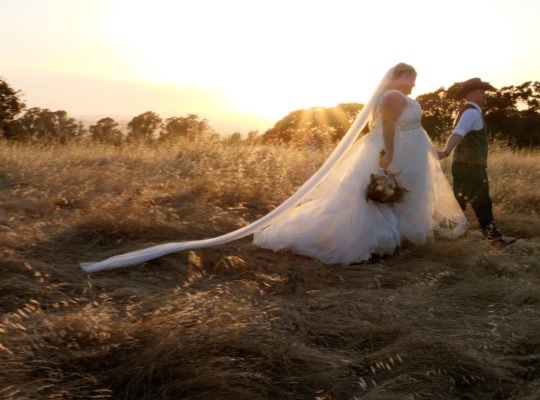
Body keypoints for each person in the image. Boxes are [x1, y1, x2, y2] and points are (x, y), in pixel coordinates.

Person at [81, 63, 467, 272]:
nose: (415, 86)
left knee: (400, 198)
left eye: (414, 81)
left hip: (413, 151)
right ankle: (376, 243)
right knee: (378, 198)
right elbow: (385, 129)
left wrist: (428, 151)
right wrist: (387, 157)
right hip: (395, 152)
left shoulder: (399, 97)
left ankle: (396, 241)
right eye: (411, 79)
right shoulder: (393, 96)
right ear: (399, 77)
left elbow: (411, 126)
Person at [438, 77, 511, 244]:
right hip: (471, 167)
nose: (484, 95)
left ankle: (445, 236)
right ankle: (495, 240)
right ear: (471, 94)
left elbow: (459, 132)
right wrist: (446, 152)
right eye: (481, 92)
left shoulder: (466, 111)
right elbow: (458, 132)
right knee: (482, 203)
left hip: (463, 165)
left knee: (460, 204)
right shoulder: (471, 113)